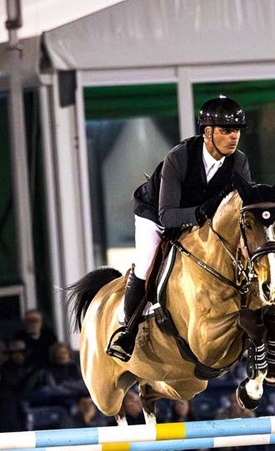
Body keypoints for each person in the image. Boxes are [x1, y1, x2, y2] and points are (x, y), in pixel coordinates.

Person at [107, 95, 253, 361]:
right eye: (226, 130)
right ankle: (126, 331)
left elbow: (240, 211)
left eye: (237, 131)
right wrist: (201, 213)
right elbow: (167, 216)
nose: (234, 137)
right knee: (146, 263)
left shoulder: (239, 162)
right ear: (208, 132)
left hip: (201, 219)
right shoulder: (180, 157)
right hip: (156, 213)